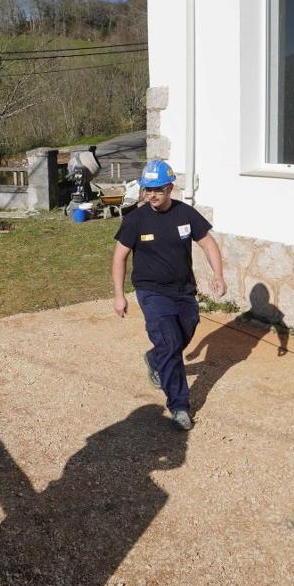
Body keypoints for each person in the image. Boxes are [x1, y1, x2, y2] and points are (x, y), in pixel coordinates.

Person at [111, 159, 226, 430]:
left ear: (171, 188)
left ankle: (155, 358)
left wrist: (218, 275)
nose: (152, 195)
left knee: (186, 330)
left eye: (158, 189)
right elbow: (119, 258)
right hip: (151, 292)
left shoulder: (186, 214)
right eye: (147, 189)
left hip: (184, 290)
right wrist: (119, 294)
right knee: (171, 342)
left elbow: (208, 243)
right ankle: (179, 406)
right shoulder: (135, 220)